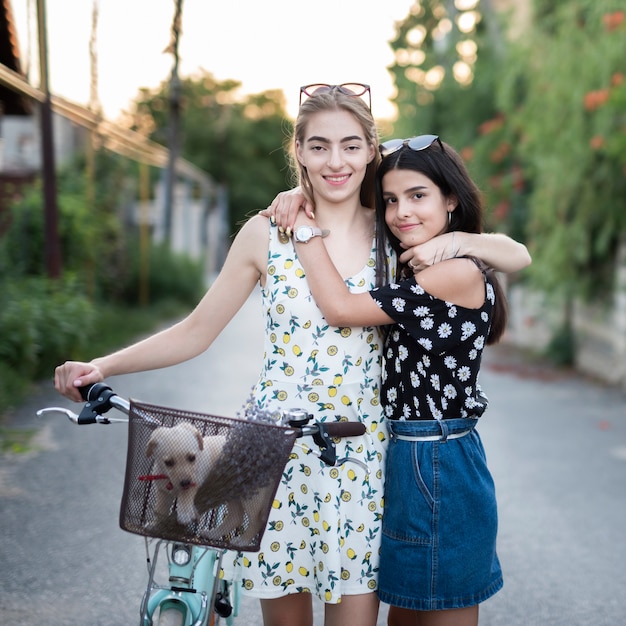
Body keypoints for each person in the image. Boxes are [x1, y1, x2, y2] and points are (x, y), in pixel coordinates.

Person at [55, 84, 527, 626]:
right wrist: (105, 366)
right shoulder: (266, 232)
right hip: (269, 446)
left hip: (361, 451)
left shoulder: (395, 233)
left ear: (372, 151)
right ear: (298, 151)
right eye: (319, 145)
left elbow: (510, 255)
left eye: (351, 146)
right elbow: (196, 330)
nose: (336, 161)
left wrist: (452, 243)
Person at [282, 133, 513, 626]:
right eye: (390, 200)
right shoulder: (417, 265)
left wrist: (304, 230)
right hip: (418, 454)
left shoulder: (453, 271)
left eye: (418, 196)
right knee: (409, 616)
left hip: (435, 459)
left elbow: (342, 309)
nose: (401, 211)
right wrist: (298, 195)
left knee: (437, 611)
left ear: (451, 199)